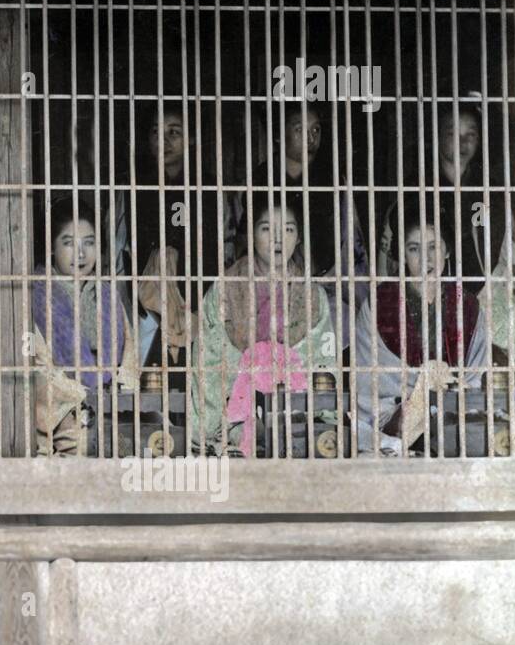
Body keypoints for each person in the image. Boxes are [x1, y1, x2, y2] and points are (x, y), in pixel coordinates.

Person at [190, 195, 337, 455]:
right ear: (251, 234)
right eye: (267, 228)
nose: (278, 239)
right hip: (234, 418)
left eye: (288, 230)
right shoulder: (225, 289)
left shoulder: (313, 295)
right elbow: (209, 361)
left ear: (299, 237)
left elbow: (323, 362)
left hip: (296, 417)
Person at [378, 101, 515, 360]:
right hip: (427, 297)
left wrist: (495, 291)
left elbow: (508, 256)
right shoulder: (413, 190)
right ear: (436, 136)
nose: (462, 142)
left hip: (484, 297)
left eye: (471, 134)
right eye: (452, 133)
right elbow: (388, 262)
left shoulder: (491, 192)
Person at [355, 200, 487, 456]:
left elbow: (476, 377)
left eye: (433, 247)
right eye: (414, 248)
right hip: (396, 422)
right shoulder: (379, 304)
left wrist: (447, 393)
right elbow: (369, 382)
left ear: (447, 250)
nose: (425, 258)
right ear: (402, 254)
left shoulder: (468, 305)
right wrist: (420, 394)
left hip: (456, 419)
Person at [112, 103, 231, 371]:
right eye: (156, 132)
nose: (163, 141)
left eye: (174, 132)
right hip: (145, 302)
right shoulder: (133, 186)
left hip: (199, 297)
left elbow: (225, 247)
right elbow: (118, 249)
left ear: (191, 139)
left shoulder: (210, 186)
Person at [29, 198, 135, 456]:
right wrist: (79, 395)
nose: (81, 254)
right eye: (68, 243)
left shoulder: (108, 293)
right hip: (62, 413)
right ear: (51, 247)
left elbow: (130, 354)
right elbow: (38, 365)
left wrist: (121, 391)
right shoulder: (36, 294)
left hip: (112, 408)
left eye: (89, 242)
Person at [255, 101, 367, 340]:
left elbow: (351, 238)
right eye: (299, 129)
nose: (310, 138)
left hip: (328, 289)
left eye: (315, 130)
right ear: (278, 135)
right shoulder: (260, 180)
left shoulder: (332, 180)